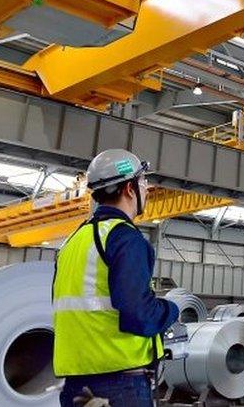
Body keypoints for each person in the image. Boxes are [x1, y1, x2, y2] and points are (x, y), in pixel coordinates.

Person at [53, 149, 179, 406]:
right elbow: (138, 314)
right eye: (143, 182)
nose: (147, 189)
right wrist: (171, 310)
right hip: (118, 382)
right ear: (129, 189)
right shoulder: (123, 237)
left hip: (75, 384)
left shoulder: (74, 241)